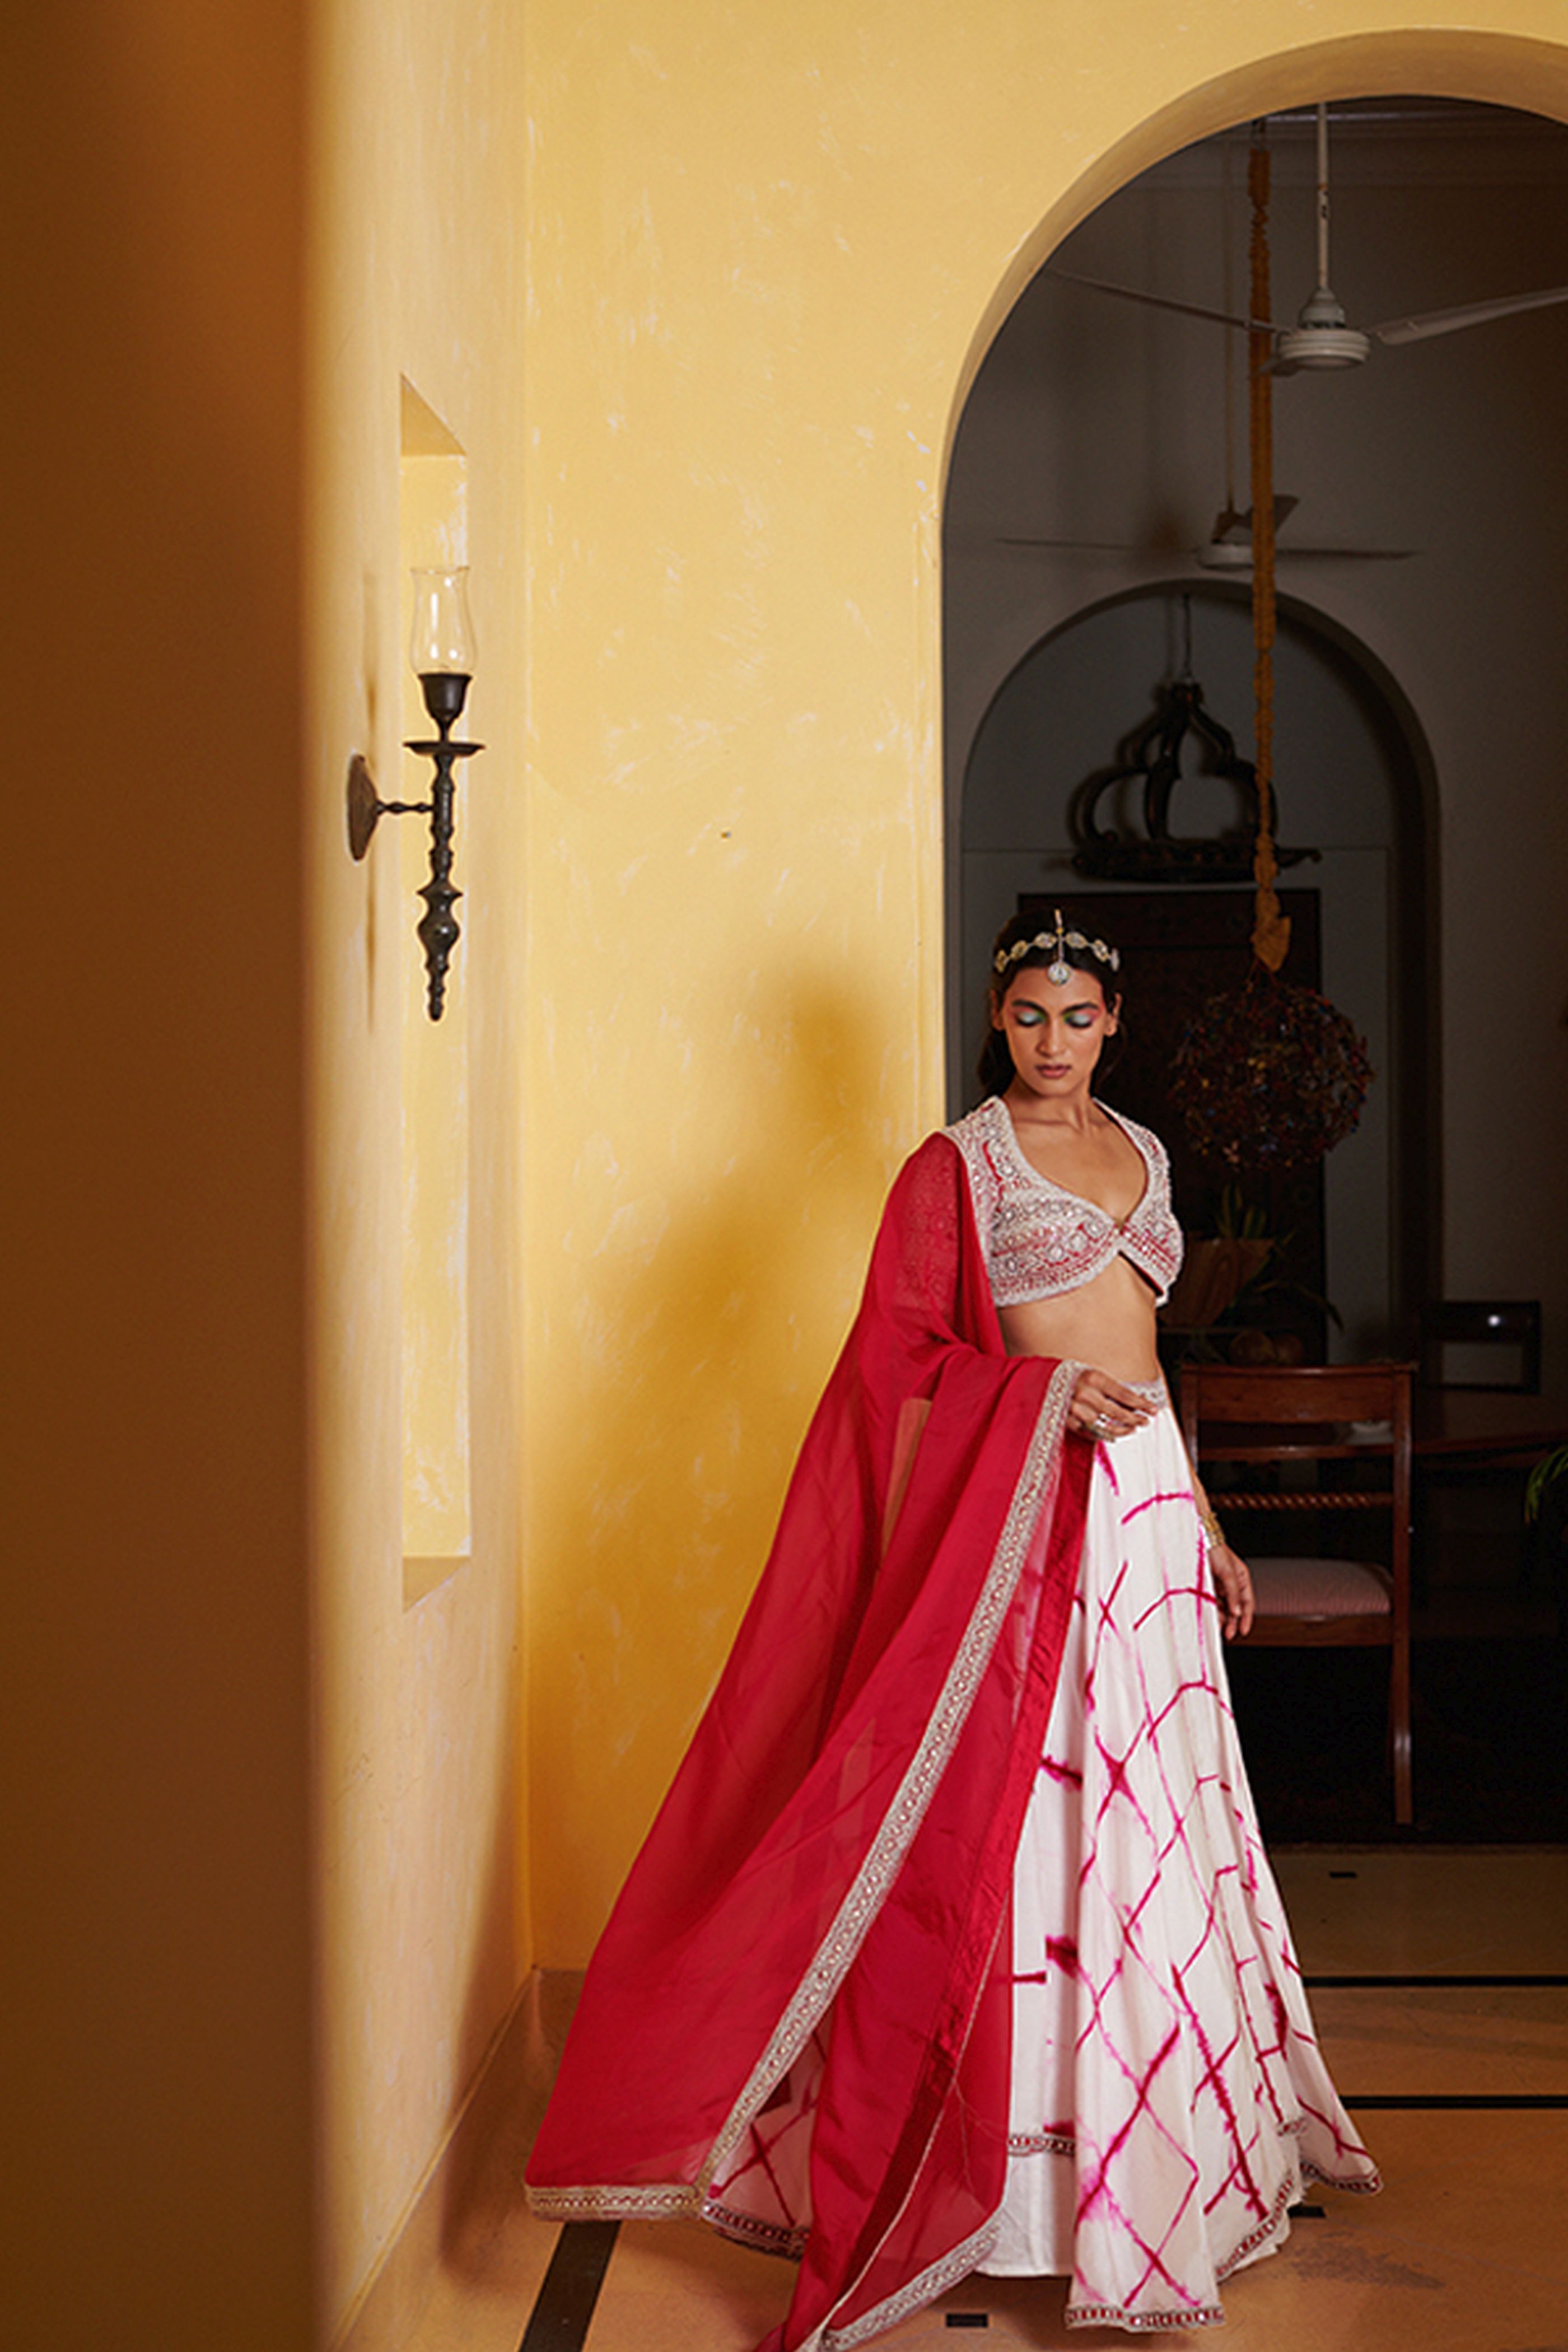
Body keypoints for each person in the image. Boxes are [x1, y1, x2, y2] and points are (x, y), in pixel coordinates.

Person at [527, 909, 1378, 2346]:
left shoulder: (1147, 1153)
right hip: (1029, 1517)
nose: (1052, 1041)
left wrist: (1209, 1519)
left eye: (1078, 1016)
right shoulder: (955, 1165)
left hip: (1150, 1504)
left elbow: (1146, 1353)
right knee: (1036, 1822)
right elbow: (896, 1361)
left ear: (1114, 1023)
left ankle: (1165, 2159)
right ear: (998, 1018)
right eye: (1028, 1016)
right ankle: (1016, 2176)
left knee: (1166, 1819)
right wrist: (1043, 1403)